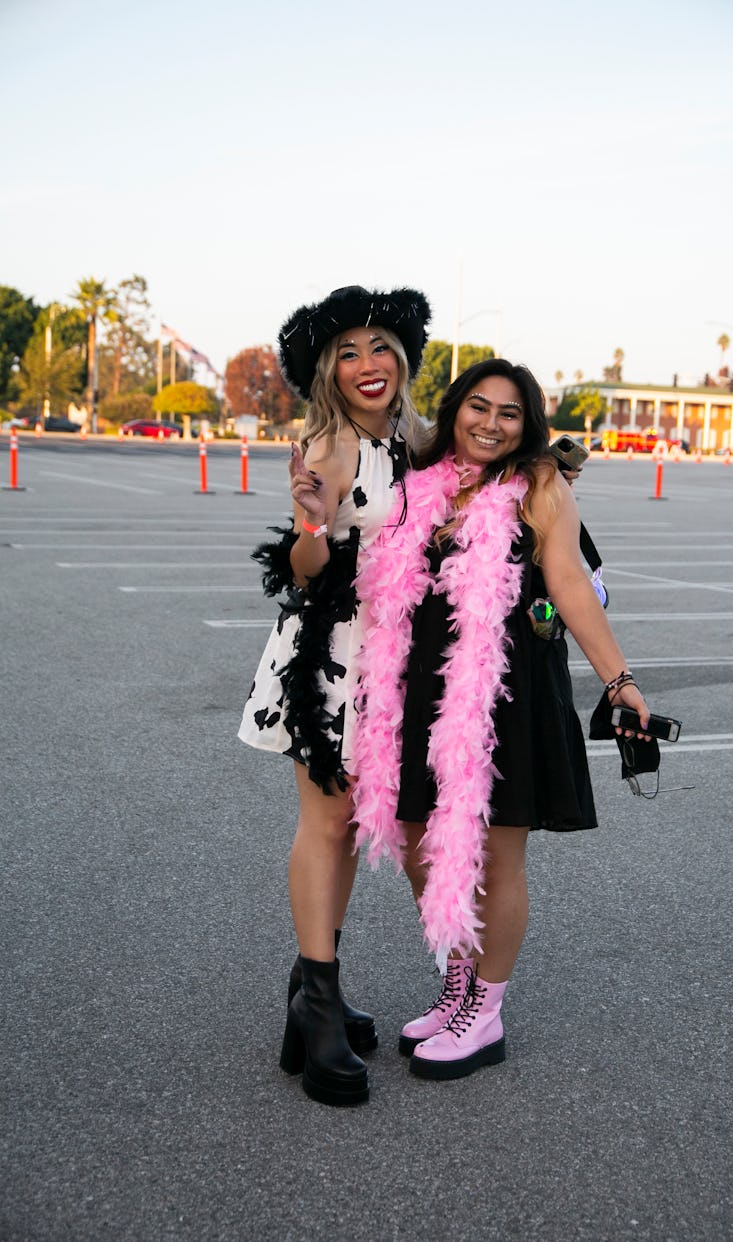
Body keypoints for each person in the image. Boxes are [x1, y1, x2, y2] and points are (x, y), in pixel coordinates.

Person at [351, 358, 651, 1081]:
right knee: (423, 838)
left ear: (528, 425)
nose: (490, 423)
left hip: (505, 695)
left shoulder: (540, 487)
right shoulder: (423, 485)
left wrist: (620, 681)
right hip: (422, 689)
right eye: (477, 407)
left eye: (508, 413)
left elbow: (571, 587)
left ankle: (485, 1011)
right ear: (455, 411)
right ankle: (456, 982)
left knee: (496, 854)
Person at [238, 285, 431, 1106]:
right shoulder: (331, 443)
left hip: (393, 657)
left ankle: (310, 995)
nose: (366, 364)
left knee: (353, 824)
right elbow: (305, 572)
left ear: (402, 358)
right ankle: (317, 1010)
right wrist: (312, 520)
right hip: (332, 653)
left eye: (380, 346)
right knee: (326, 822)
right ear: (328, 371)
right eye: (347, 352)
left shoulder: (413, 440)